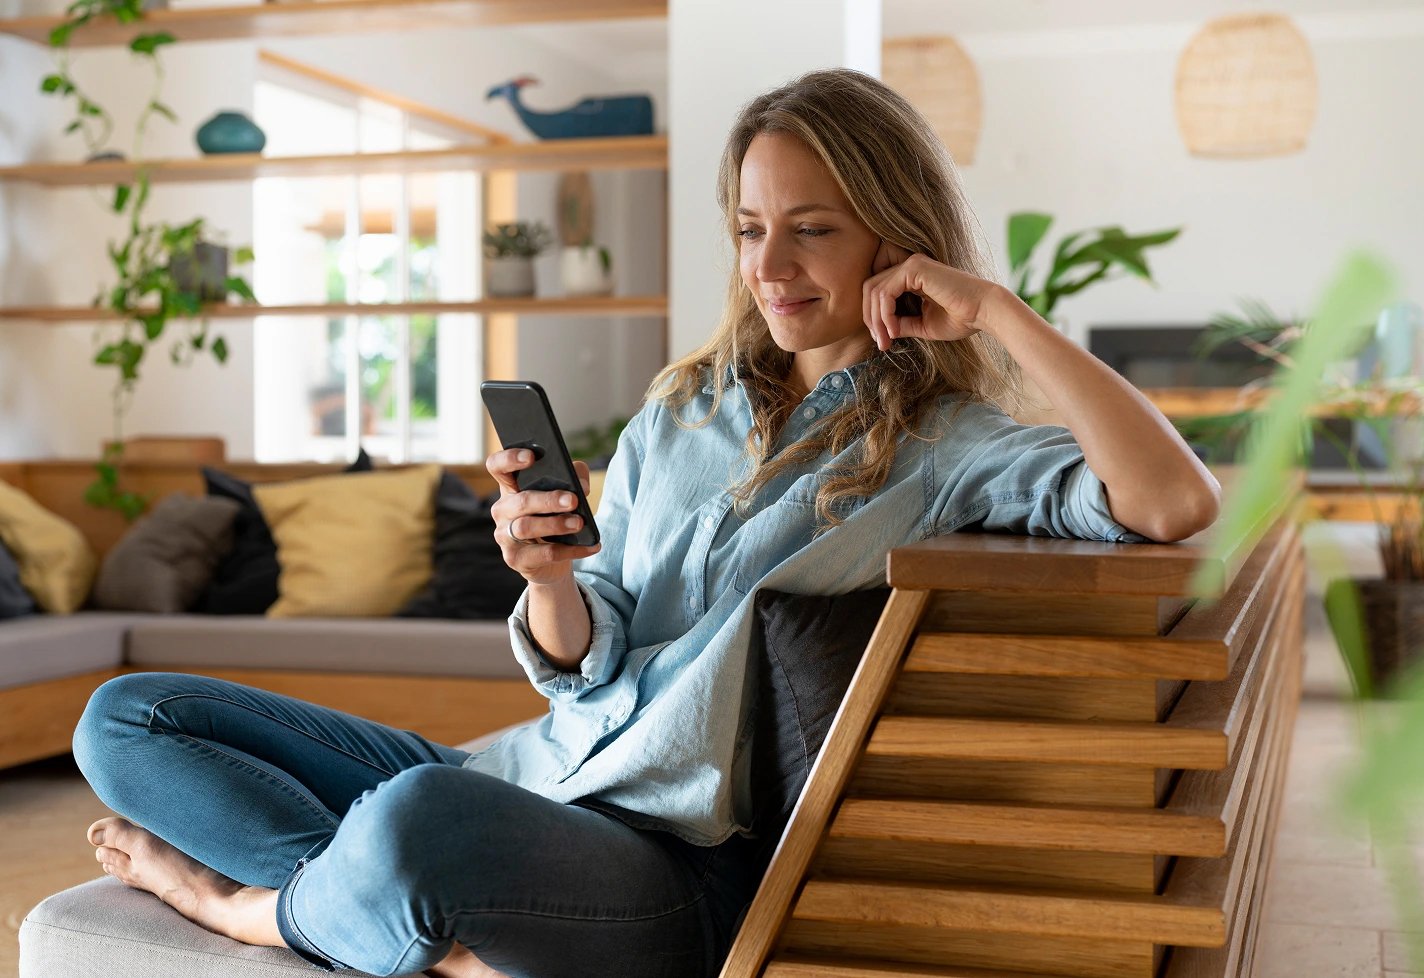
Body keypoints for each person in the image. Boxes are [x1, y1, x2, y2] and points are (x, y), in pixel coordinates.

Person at [71, 68, 1220, 978]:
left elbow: (1171, 503)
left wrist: (998, 311)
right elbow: (583, 656)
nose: (768, 266)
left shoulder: (947, 445)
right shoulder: (682, 406)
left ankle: (259, 911)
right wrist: (549, 579)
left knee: (417, 819)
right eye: (748, 228)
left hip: (666, 862)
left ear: (894, 235)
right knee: (130, 718)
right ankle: (409, 919)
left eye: (810, 229)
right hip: (532, 776)